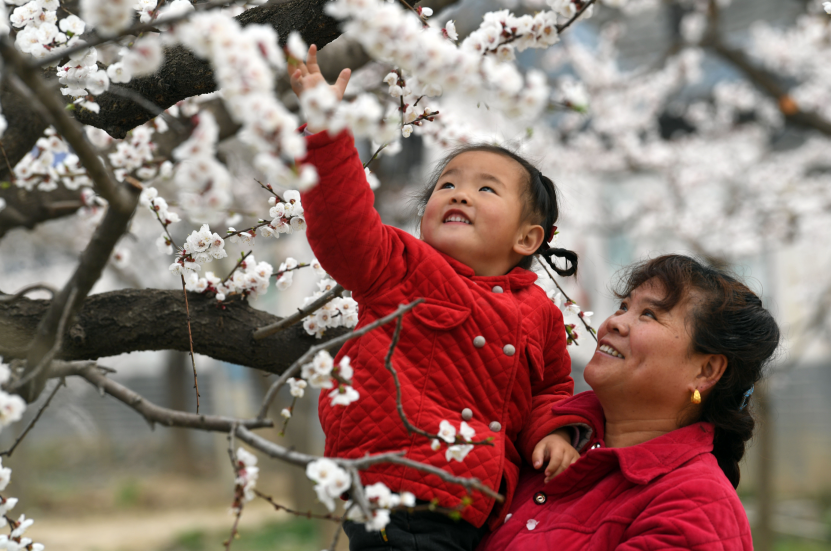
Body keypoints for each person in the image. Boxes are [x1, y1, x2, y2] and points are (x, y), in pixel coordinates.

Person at [290, 46, 582, 550]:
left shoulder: (541, 314)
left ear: (528, 240)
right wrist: (325, 132)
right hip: (400, 487)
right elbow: (344, 224)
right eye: (447, 185)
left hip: (476, 507)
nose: (459, 194)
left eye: (487, 190)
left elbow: (550, 392)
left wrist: (553, 435)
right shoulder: (402, 267)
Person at [478, 254, 780, 551]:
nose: (615, 323)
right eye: (623, 307)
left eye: (648, 314)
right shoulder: (543, 432)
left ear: (706, 371)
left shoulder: (695, 505)